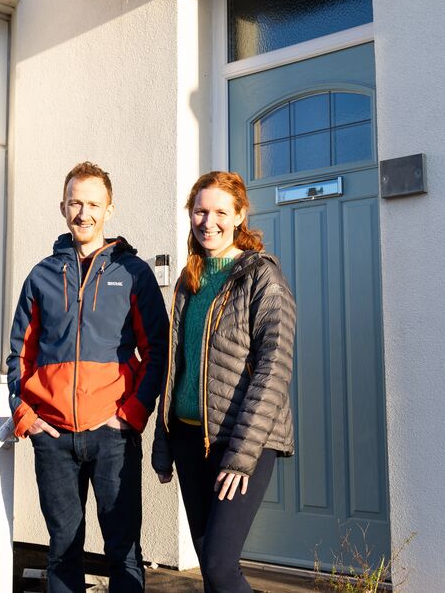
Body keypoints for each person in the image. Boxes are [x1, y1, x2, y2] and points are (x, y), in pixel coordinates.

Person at [7, 162, 168, 593]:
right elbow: (18, 354)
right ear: (63, 206)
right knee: (62, 547)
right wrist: (25, 415)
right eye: (76, 202)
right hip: (54, 437)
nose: (84, 213)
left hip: (112, 434)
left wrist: (131, 414)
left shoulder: (133, 273)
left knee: (123, 549)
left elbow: (157, 352)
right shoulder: (41, 276)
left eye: (93, 203)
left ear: (109, 209)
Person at [152, 171, 296, 593]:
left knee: (217, 565)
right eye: (200, 211)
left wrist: (241, 455)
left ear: (239, 216)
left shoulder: (261, 278)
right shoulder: (188, 280)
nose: (207, 221)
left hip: (241, 441)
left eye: (219, 212)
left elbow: (274, 370)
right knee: (211, 564)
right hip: (189, 440)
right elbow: (175, 367)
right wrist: (164, 444)